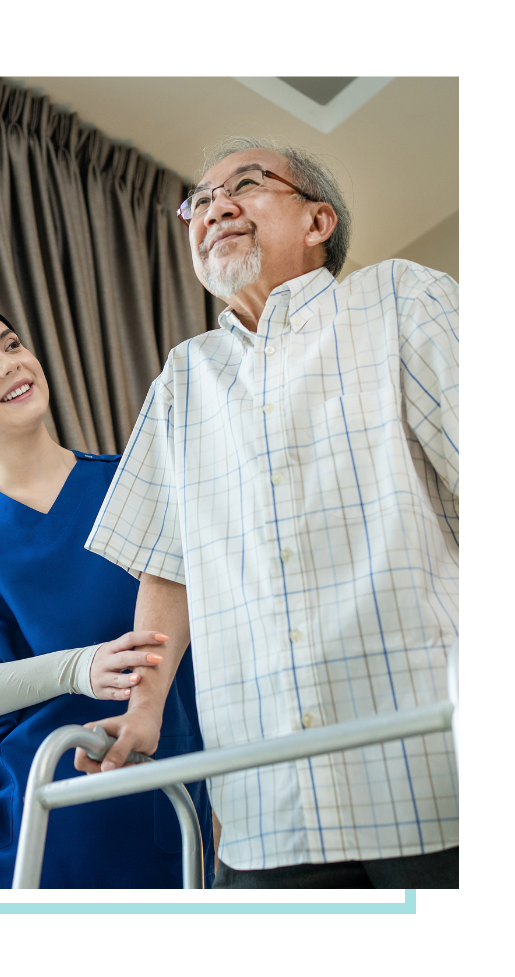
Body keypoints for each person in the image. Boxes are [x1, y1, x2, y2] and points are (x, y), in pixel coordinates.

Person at [76, 137, 459, 890]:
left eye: (244, 186)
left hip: (430, 763)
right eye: (196, 202)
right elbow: (167, 563)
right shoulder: (183, 380)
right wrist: (144, 709)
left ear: (317, 221)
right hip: (264, 800)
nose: (213, 207)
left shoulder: (398, 299)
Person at [0, 301, 214, 890]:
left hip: (142, 794)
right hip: (11, 811)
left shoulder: (138, 486)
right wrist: (75, 669)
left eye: (11, 345)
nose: (9, 364)